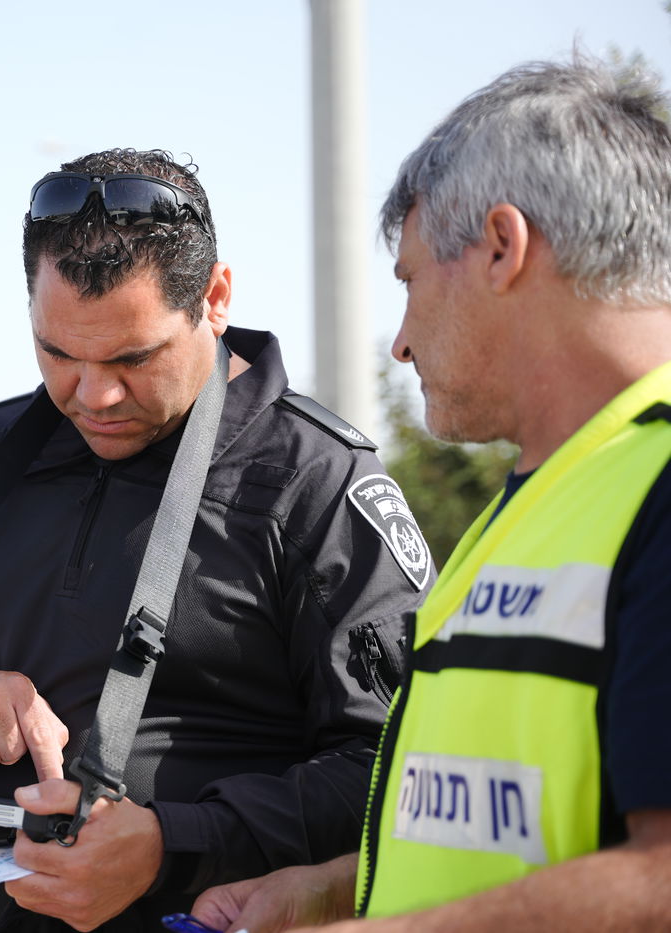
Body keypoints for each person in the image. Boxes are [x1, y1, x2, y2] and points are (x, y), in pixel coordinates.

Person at [0, 148, 429, 932]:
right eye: (58, 354)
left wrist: (172, 844)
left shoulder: (316, 485)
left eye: (131, 357)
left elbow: (399, 774)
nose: (94, 394)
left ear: (214, 297)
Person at [189, 57, 671, 933]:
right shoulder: (543, 496)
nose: (402, 343)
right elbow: (485, 833)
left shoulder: (657, 489)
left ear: (501, 246)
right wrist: (332, 888)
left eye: (410, 281)